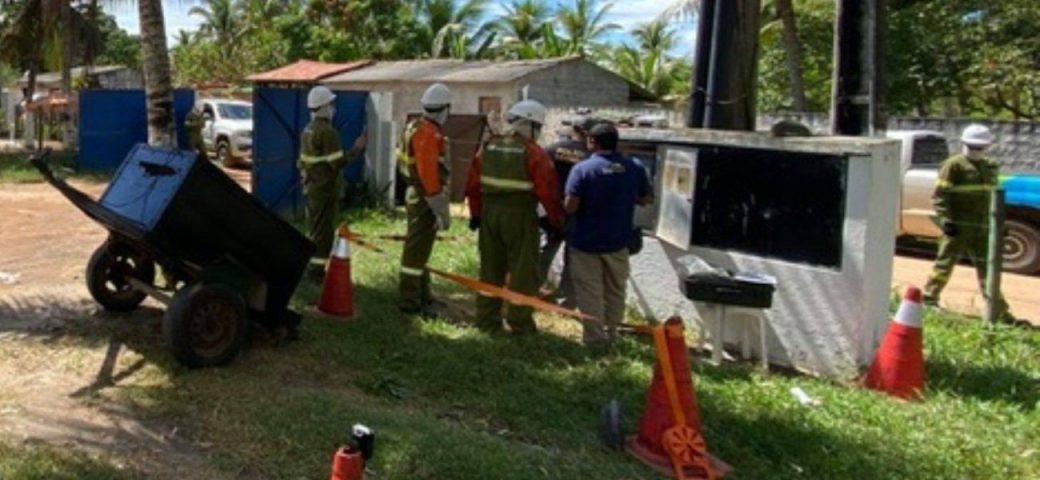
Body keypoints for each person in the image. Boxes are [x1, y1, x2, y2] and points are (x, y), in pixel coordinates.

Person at [466, 99, 564, 334]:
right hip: (519, 215)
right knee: (522, 271)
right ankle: (519, 323)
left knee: (490, 268)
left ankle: (487, 319)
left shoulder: (488, 147)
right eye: (538, 127)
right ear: (530, 124)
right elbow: (547, 192)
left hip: (490, 215)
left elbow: (472, 185)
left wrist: (476, 214)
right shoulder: (533, 153)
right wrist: (555, 222)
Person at [565, 122, 652, 349]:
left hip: (585, 242)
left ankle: (594, 339)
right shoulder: (634, 167)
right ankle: (612, 333)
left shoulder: (582, 169)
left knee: (589, 290)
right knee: (615, 289)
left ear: (592, 142)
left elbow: (571, 205)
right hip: (618, 241)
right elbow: (645, 199)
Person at [923, 124, 1016, 323]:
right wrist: (945, 221)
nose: (975, 151)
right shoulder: (954, 165)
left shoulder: (990, 166)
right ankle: (929, 300)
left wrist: (1001, 223)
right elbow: (940, 196)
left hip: (983, 227)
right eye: (972, 146)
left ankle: (999, 312)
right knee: (945, 264)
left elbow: (994, 197)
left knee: (988, 269)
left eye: (980, 147)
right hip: (958, 226)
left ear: (988, 147)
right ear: (964, 144)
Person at [397, 83, 453, 316]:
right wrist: (441, 209)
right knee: (415, 251)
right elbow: (429, 176)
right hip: (423, 197)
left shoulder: (415, 126)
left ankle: (423, 294)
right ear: (445, 108)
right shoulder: (427, 133)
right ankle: (409, 301)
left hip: (417, 194)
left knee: (421, 249)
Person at [299, 85, 366, 278]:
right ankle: (316, 272)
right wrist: (356, 148)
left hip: (312, 186)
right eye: (331, 104)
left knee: (314, 228)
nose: (333, 107)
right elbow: (337, 162)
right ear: (323, 106)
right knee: (323, 233)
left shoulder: (308, 130)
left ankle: (311, 267)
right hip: (324, 188)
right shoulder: (328, 132)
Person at [539, 115, 600, 300]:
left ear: (574, 130)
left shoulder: (551, 149)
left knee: (544, 251)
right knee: (572, 257)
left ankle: (530, 288)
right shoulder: (592, 157)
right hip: (579, 214)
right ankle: (566, 299)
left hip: (552, 211)